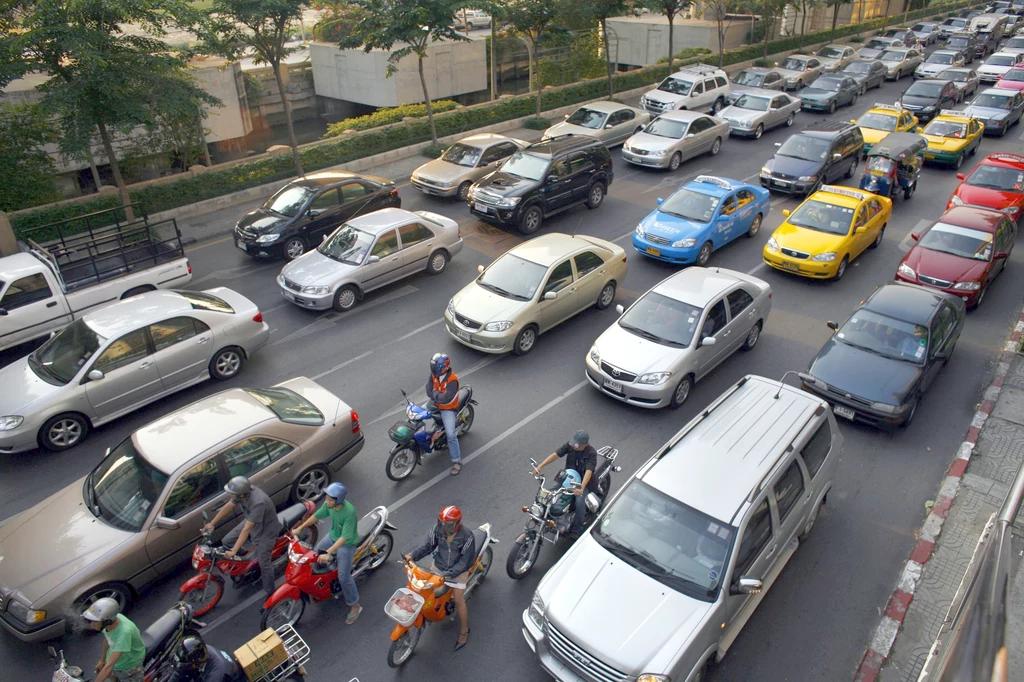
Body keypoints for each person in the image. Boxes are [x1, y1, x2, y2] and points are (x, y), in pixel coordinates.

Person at [201, 476, 283, 605]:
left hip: (265, 530)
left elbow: (247, 529)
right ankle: (247, 560)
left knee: (264, 564)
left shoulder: (257, 502)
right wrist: (212, 523)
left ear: (241, 495)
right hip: (252, 520)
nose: (229, 494)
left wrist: (234, 551)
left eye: (231, 493)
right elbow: (229, 506)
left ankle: (271, 594)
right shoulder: (241, 495)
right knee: (227, 540)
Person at [404, 506, 476, 651]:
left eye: (448, 524)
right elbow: (428, 545)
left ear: (457, 524)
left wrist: (449, 574)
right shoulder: (437, 530)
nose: (444, 527)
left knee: (458, 599)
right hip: (440, 565)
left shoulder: (467, 536)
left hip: (457, 571)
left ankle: (464, 630)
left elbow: (465, 562)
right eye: (442, 523)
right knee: (422, 588)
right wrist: (412, 555)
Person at [290, 481, 362, 624]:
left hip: (346, 544)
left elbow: (345, 537)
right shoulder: (329, 505)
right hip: (332, 536)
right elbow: (316, 516)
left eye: (330, 499)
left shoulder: (349, 512)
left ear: (338, 500)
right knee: (314, 555)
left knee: (344, 577)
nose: (326, 501)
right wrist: (300, 528)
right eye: (327, 498)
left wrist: (328, 552)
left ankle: (355, 605)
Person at [533, 430, 600, 538]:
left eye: (577, 445)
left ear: (584, 445)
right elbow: (556, 455)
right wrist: (541, 466)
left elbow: (589, 471)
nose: (574, 446)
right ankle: (546, 515)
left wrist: (581, 488)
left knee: (579, 502)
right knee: (552, 493)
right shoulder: (570, 446)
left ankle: (577, 529)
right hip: (568, 477)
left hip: (582, 482)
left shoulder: (591, 453)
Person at [83, 597, 146, 682]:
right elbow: (107, 640)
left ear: (107, 621)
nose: (91, 624)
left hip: (129, 666)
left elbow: (109, 666)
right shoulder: (110, 622)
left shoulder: (124, 633)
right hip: (117, 661)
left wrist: (105, 666)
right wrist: (102, 661)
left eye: (95, 621)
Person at [426, 352, 463, 476]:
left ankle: (457, 460)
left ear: (444, 368)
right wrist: (436, 394)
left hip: (448, 409)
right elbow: (428, 390)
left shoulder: (452, 380)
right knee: (417, 414)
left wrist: (435, 394)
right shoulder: (434, 375)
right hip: (436, 403)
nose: (433, 371)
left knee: (451, 435)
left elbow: (446, 399)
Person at [170, 635, 237, 682]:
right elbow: (180, 672)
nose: (185, 667)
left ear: (197, 662)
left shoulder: (215, 676)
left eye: (187, 665)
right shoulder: (200, 649)